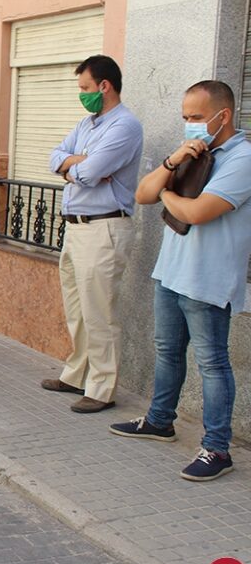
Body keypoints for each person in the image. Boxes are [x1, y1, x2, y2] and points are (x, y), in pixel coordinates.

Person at [110, 80, 251, 481]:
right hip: (171, 271)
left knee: (212, 363)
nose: (189, 125)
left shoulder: (242, 158)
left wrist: (169, 199)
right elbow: (142, 194)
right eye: (184, 117)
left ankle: (217, 448)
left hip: (208, 279)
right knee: (167, 350)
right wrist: (172, 164)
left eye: (196, 117)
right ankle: (159, 421)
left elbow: (197, 212)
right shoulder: (192, 152)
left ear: (222, 116)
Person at [41, 55, 143, 414]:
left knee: (99, 312)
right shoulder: (87, 124)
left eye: (85, 88)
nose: (81, 95)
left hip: (104, 227)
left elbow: (91, 172)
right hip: (76, 227)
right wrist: (76, 163)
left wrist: (76, 165)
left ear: (105, 86)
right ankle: (76, 373)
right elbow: (55, 156)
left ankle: (102, 388)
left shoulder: (125, 126)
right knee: (77, 308)